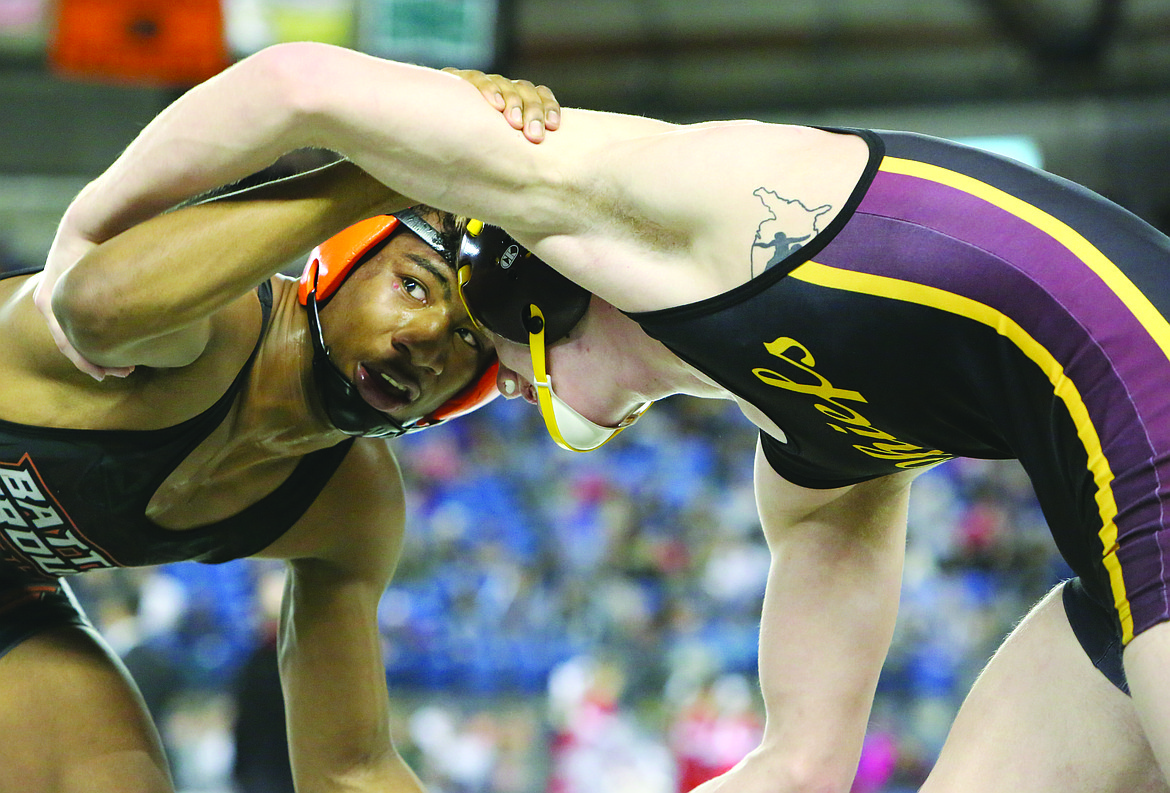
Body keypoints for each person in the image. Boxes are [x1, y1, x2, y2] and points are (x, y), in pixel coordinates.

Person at [34, 40, 1170, 793]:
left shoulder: (636, 204)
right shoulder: (821, 454)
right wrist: (85, 253)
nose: (467, 368)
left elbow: (294, 86)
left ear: (538, 292)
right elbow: (799, 767)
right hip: (1116, 551)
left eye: (482, 349)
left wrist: (92, 233)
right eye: (449, 326)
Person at [2, 69, 561, 793]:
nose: (423, 338)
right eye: (414, 284)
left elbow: (350, 767)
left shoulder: (348, 507)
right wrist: (397, 165)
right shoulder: (210, 326)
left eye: (465, 340)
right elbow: (96, 305)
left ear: (473, 392)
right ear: (342, 256)